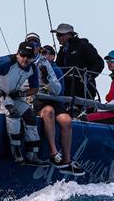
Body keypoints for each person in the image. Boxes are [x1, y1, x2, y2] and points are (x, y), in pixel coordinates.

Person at [0, 42, 41, 164]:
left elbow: (35, 89)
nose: (25, 59)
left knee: (31, 116)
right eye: (22, 55)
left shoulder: (32, 68)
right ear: (18, 53)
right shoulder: (7, 61)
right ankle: (16, 150)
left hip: (13, 96)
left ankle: (32, 154)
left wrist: (21, 94)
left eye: (28, 56)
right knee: (12, 114)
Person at [30, 42, 85, 176]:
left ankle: (66, 160)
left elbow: (59, 91)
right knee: (49, 112)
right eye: (41, 53)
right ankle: (54, 153)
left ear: (52, 56)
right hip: (38, 100)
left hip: (54, 100)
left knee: (67, 120)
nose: (43, 55)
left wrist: (47, 78)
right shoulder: (28, 64)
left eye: (45, 53)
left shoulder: (52, 69)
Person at [51, 23, 104, 106]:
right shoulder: (62, 51)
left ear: (69, 35)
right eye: (57, 35)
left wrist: (88, 75)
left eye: (60, 35)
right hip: (67, 91)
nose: (57, 37)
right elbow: (58, 68)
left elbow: (99, 62)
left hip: (83, 90)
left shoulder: (83, 45)